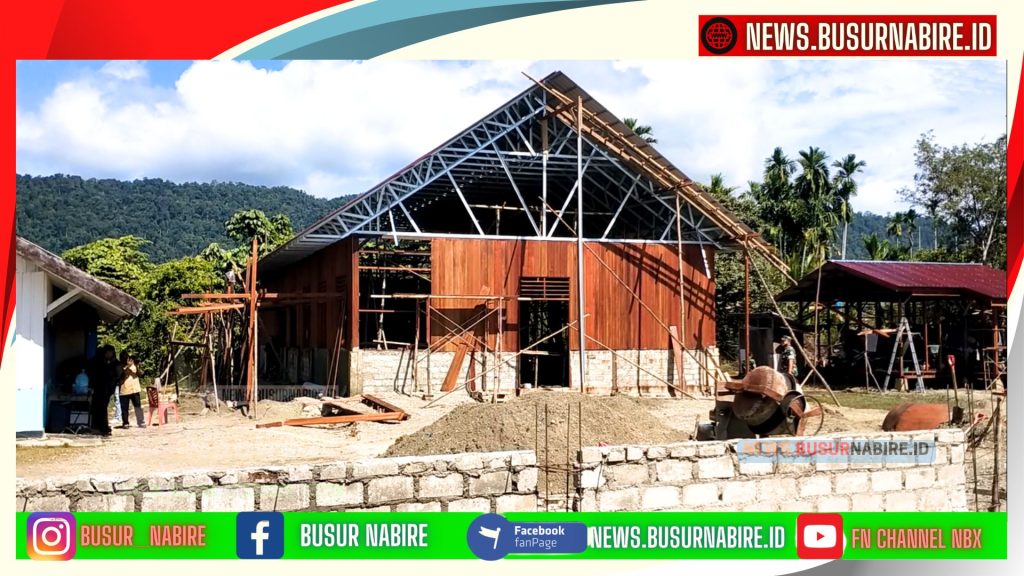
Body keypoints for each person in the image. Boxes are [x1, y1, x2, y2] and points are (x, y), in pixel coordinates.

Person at [88, 345, 118, 436]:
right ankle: (101, 427)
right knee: (101, 409)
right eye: (110, 353)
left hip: (103, 389)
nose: (111, 355)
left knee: (101, 408)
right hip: (101, 389)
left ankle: (100, 427)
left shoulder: (102, 362)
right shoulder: (100, 363)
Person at [118, 352, 146, 428]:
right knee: (125, 408)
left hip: (134, 389)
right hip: (124, 390)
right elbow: (121, 376)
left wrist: (135, 367)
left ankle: (141, 421)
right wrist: (127, 367)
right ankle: (125, 423)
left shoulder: (134, 365)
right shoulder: (120, 366)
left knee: (138, 406)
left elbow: (140, 375)